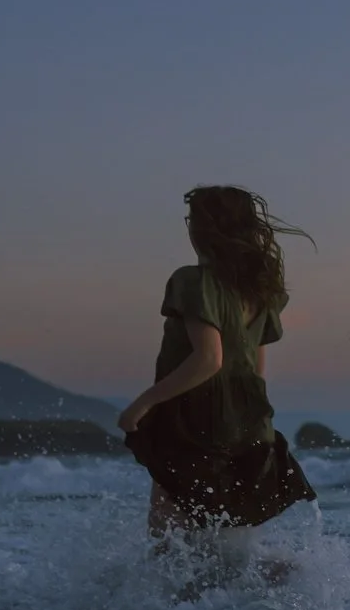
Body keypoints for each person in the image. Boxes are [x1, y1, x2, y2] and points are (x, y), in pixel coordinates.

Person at [118, 186, 317, 542]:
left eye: (193, 220)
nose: (189, 228)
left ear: (207, 229)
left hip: (193, 419)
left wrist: (143, 403)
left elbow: (208, 359)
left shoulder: (193, 282)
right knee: (223, 542)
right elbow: (256, 366)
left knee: (167, 536)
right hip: (247, 421)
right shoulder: (259, 291)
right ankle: (297, 583)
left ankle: (164, 600)